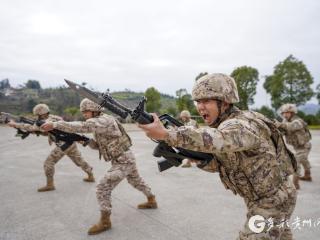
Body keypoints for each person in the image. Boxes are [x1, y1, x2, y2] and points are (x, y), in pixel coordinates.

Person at [139, 73, 297, 239]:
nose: (200, 107)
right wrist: (199, 159)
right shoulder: (224, 124)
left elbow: (219, 139)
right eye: (198, 101)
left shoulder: (241, 124)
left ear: (225, 102)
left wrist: (167, 134)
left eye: (206, 101)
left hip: (272, 201)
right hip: (267, 196)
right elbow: (224, 163)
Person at [41, 98, 158, 235]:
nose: (84, 114)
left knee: (102, 187)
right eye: (83, 111)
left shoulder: (105, 120)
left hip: (123, 161)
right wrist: (85, 141)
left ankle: (105, 221)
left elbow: (83, 126)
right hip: (124, 159)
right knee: (135, 181)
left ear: (94, 109)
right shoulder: (99, 123)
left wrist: (55, 124)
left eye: (86, 111)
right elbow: (100, 146)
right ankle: (152, 200)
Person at [7, 104, 94, 192]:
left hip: (63, 145)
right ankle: (91, 175)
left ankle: (50, 185)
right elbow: (52, 131)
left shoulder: (45, 122)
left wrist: (15, 124)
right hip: (71, 143)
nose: (37, 117)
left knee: (49, 163)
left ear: (42, 114)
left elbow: (31, 128)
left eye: (38, 115)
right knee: (79, 160)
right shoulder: (56, 118)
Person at [276, 103, 312, 189]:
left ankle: (295, 184)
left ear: (292, 113)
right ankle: (308, 175)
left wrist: (279, 124)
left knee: (296, 161)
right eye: (283, 113)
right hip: (297, 147)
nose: (285, 114)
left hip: (305, 146)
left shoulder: (298, 121)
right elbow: (283, 131)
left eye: (287, 112)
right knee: (304, 160)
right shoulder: (285, 122)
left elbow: (291, 127)